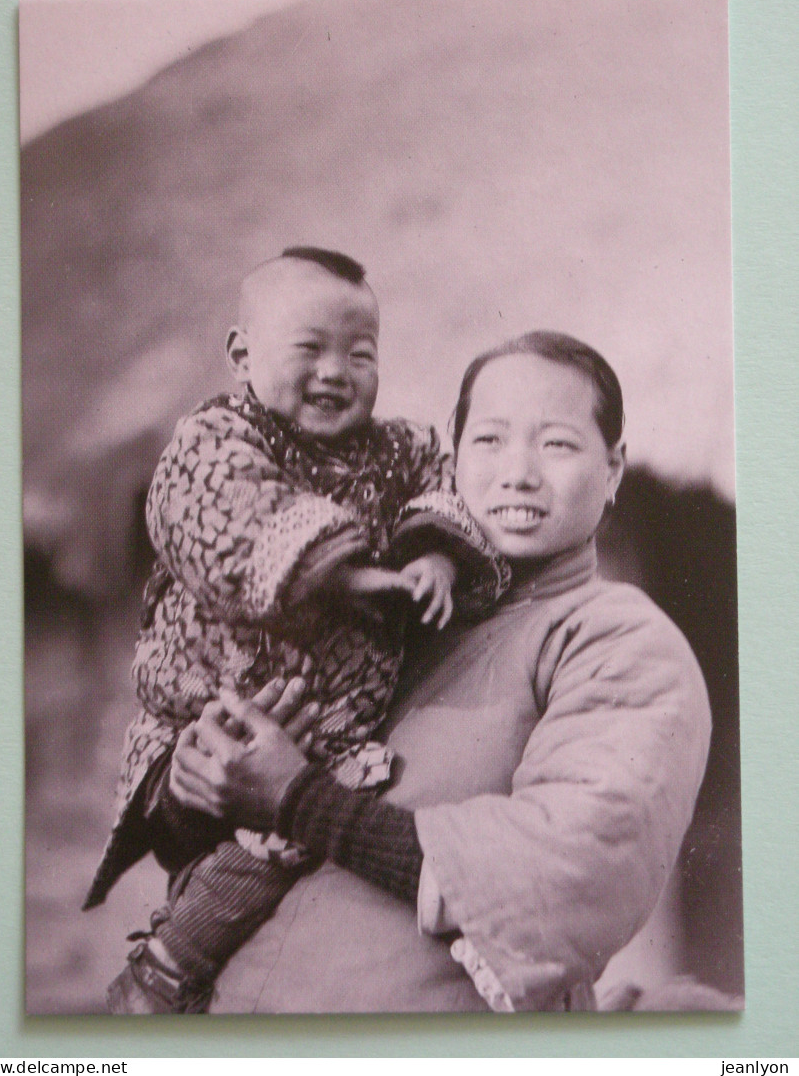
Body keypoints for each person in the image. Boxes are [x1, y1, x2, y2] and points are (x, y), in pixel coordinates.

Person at [164, 330, 713, 1013]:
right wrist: (200, 785)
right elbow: (252, 828)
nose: (518, 472)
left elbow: (569, 866)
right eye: (488, 440)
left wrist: (300, 798)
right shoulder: (398, 615)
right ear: (452, 459)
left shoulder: (618, 638)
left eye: (557, 444)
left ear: (613, 469)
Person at [86, 246, 506, 1014]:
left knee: (282, 841)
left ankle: (178, 967)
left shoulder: (396, 449)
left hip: (327, 727)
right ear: (242, 354)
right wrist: (337, 570)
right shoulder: (215, 436)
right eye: (308, 348)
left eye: (360, 353)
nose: (334, 371)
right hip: (207, 700)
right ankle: (162, 968)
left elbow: (441, 482)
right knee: (240, 824)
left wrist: (436, 554)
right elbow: (212, 506)